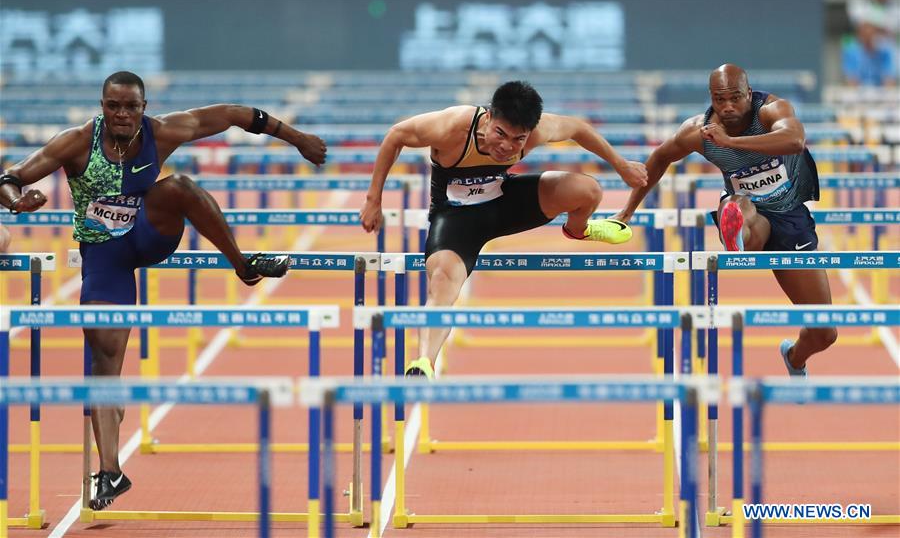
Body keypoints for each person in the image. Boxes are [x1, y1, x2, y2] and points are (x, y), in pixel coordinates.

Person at [0, 71, 327, 510]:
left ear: (143, 107)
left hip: (151, 232)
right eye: (113, 106)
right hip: (104, 257)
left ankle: (243, 266)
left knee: (180, 187)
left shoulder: (165, 131)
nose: (121, 114)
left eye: (130, 106)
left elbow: (235, 115)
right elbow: (11, 176)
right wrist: (17, 201)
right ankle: (111, 471)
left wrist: (297, 137)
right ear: (102, 106)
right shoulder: (75, 141)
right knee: (104, 362)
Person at [360, 80, 648, 379]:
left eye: (517, 139)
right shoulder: (452, 126)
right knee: (444, 279)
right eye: (501, 133)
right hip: (456, 218)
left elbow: (578, 128)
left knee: (587, 190)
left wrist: (620, 165)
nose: (507, 146)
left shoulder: (537, 130)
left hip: (505, 203)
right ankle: (424, 362)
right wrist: (373, 199)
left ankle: (579, 229)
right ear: (489, 117)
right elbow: (396, 136)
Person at [614, 64, 836, 377]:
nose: (728, 106)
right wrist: (627, 211)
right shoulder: (698, 131)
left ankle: (794, 357)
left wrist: (732, 143)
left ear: (749, 93)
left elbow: (795, 140)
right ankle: (736, 234)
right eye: (720, 99)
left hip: (789, 215)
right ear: (711, 98)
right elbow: (660, 157)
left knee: (824, 333)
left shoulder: (772, 110)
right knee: (740, 207)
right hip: (750, 212)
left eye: (735, 97)